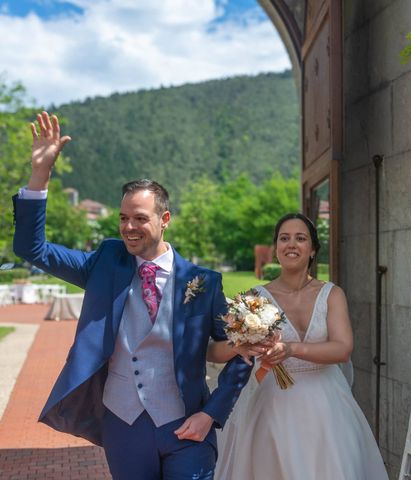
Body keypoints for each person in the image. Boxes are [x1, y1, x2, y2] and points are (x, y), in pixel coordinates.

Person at [12, 111, 251, 480]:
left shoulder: (205, 282)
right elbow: (33, 249)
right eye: (123, 218)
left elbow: (242, 351)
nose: (128, 227)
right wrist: (40, 174)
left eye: (139, 218)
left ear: (164, 219)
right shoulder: (105, 261)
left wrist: (212, 413)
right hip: (122, 424)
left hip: (187, 425)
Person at [209, 213, 389, 480]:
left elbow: (343, 348)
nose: (291, 244)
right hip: (272, 407)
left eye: (300, 238)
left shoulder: (332, 294)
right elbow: (214, 351)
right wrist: (241, 346)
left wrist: (291, 349)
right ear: (276, 249)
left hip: (327, 406)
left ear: (313, 249)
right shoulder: (254, 299)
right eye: (284, 238)